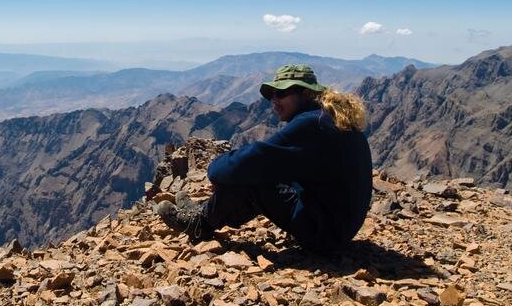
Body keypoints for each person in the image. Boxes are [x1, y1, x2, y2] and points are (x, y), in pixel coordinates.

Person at [156, 64, 373, 252]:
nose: (274, 101)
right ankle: (205, 210)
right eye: (271, 95)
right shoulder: (329, 119)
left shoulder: (311, 125)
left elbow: (252, 159)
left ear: (306, 94)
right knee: (264, 171)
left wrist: (215, 169)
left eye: (282, 93)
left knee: (250, 173)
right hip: (336, 226)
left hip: (324, 235)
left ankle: (199, 223)